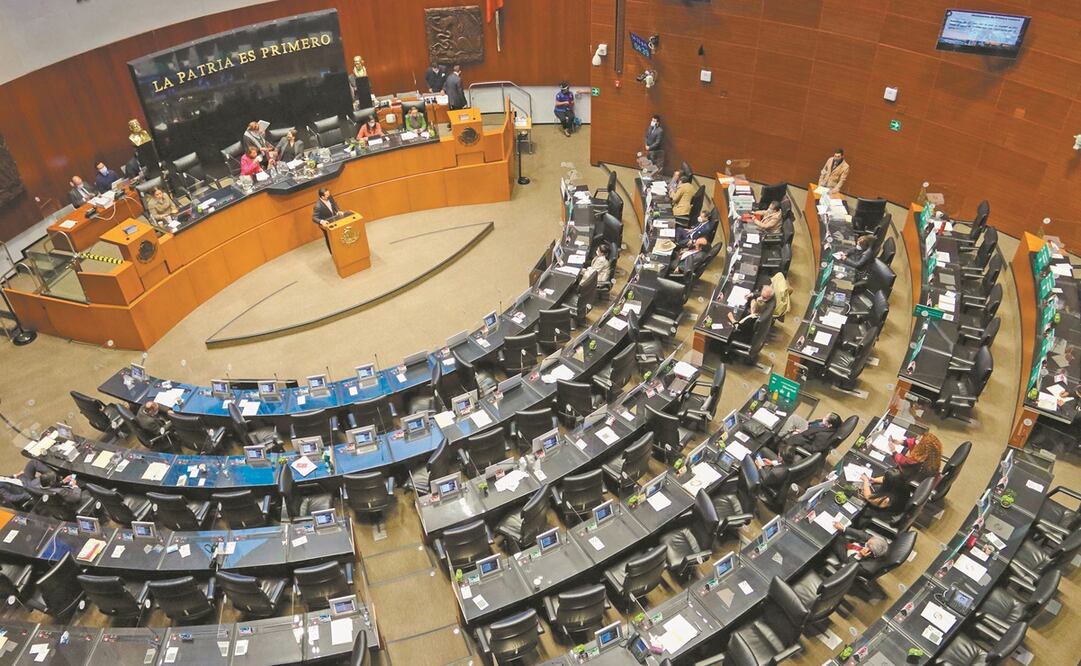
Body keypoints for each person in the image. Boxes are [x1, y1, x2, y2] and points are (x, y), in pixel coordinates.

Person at [771, 412, 842, 462]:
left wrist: (798, 435)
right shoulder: (826, 425)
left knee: (788, 436)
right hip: (809, 429)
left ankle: (777, 440)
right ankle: (780, 434)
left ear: (829, 425)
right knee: (794, 417)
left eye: (826, 418)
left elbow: (813, 449)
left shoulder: (824, 437)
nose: (823, 417)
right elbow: (815, 425)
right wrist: (803, 431)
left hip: (806, 438)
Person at [312, 188, 340, 252]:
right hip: (326, 225)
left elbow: (334, 204)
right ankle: (332, 253)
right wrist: (322, 221)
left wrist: (338, 211)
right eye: (327, 195)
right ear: (322, 196)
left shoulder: (329, 197)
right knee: (329, 239)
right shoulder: (318, 206)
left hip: (334, 220)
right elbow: (314, 218)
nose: (329, 195)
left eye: (329, 193)